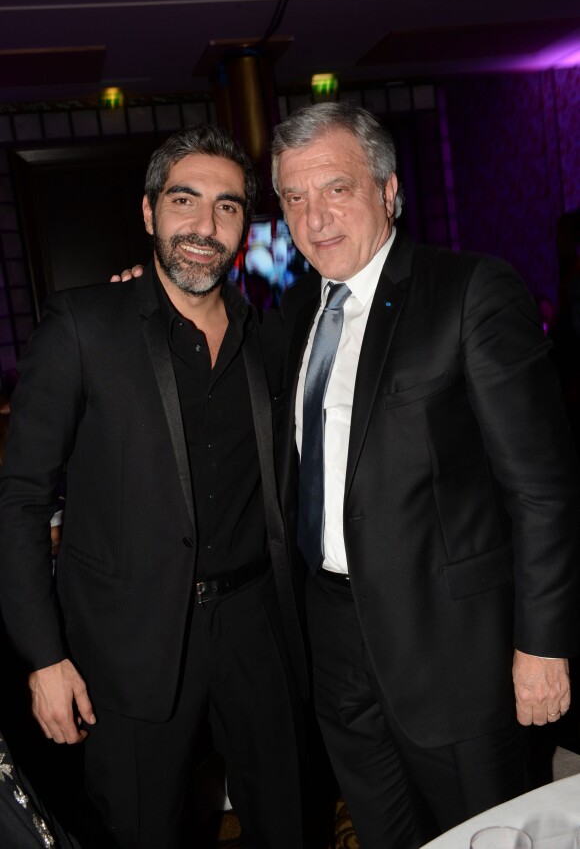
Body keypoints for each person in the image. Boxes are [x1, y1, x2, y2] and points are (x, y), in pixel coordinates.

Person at [269, 102, 580, 847]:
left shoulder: (470, 291)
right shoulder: (287, 318)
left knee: (489, 837)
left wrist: (543, 644)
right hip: (336, 644)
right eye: (293, 197)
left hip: (456, 653)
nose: (314, 218)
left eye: (336, 188)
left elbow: (541, 485)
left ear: (389, 191)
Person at [0, 124, 310, 849]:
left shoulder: (268, 339)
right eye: (185, 200)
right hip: (124, 638)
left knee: (289, 818)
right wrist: (45, 658)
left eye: (228, 207)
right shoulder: (83, 326)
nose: (205, 226)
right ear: (148, 213)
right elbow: (19, 503)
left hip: (256, 627)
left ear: (245, 225)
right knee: (143, 829)